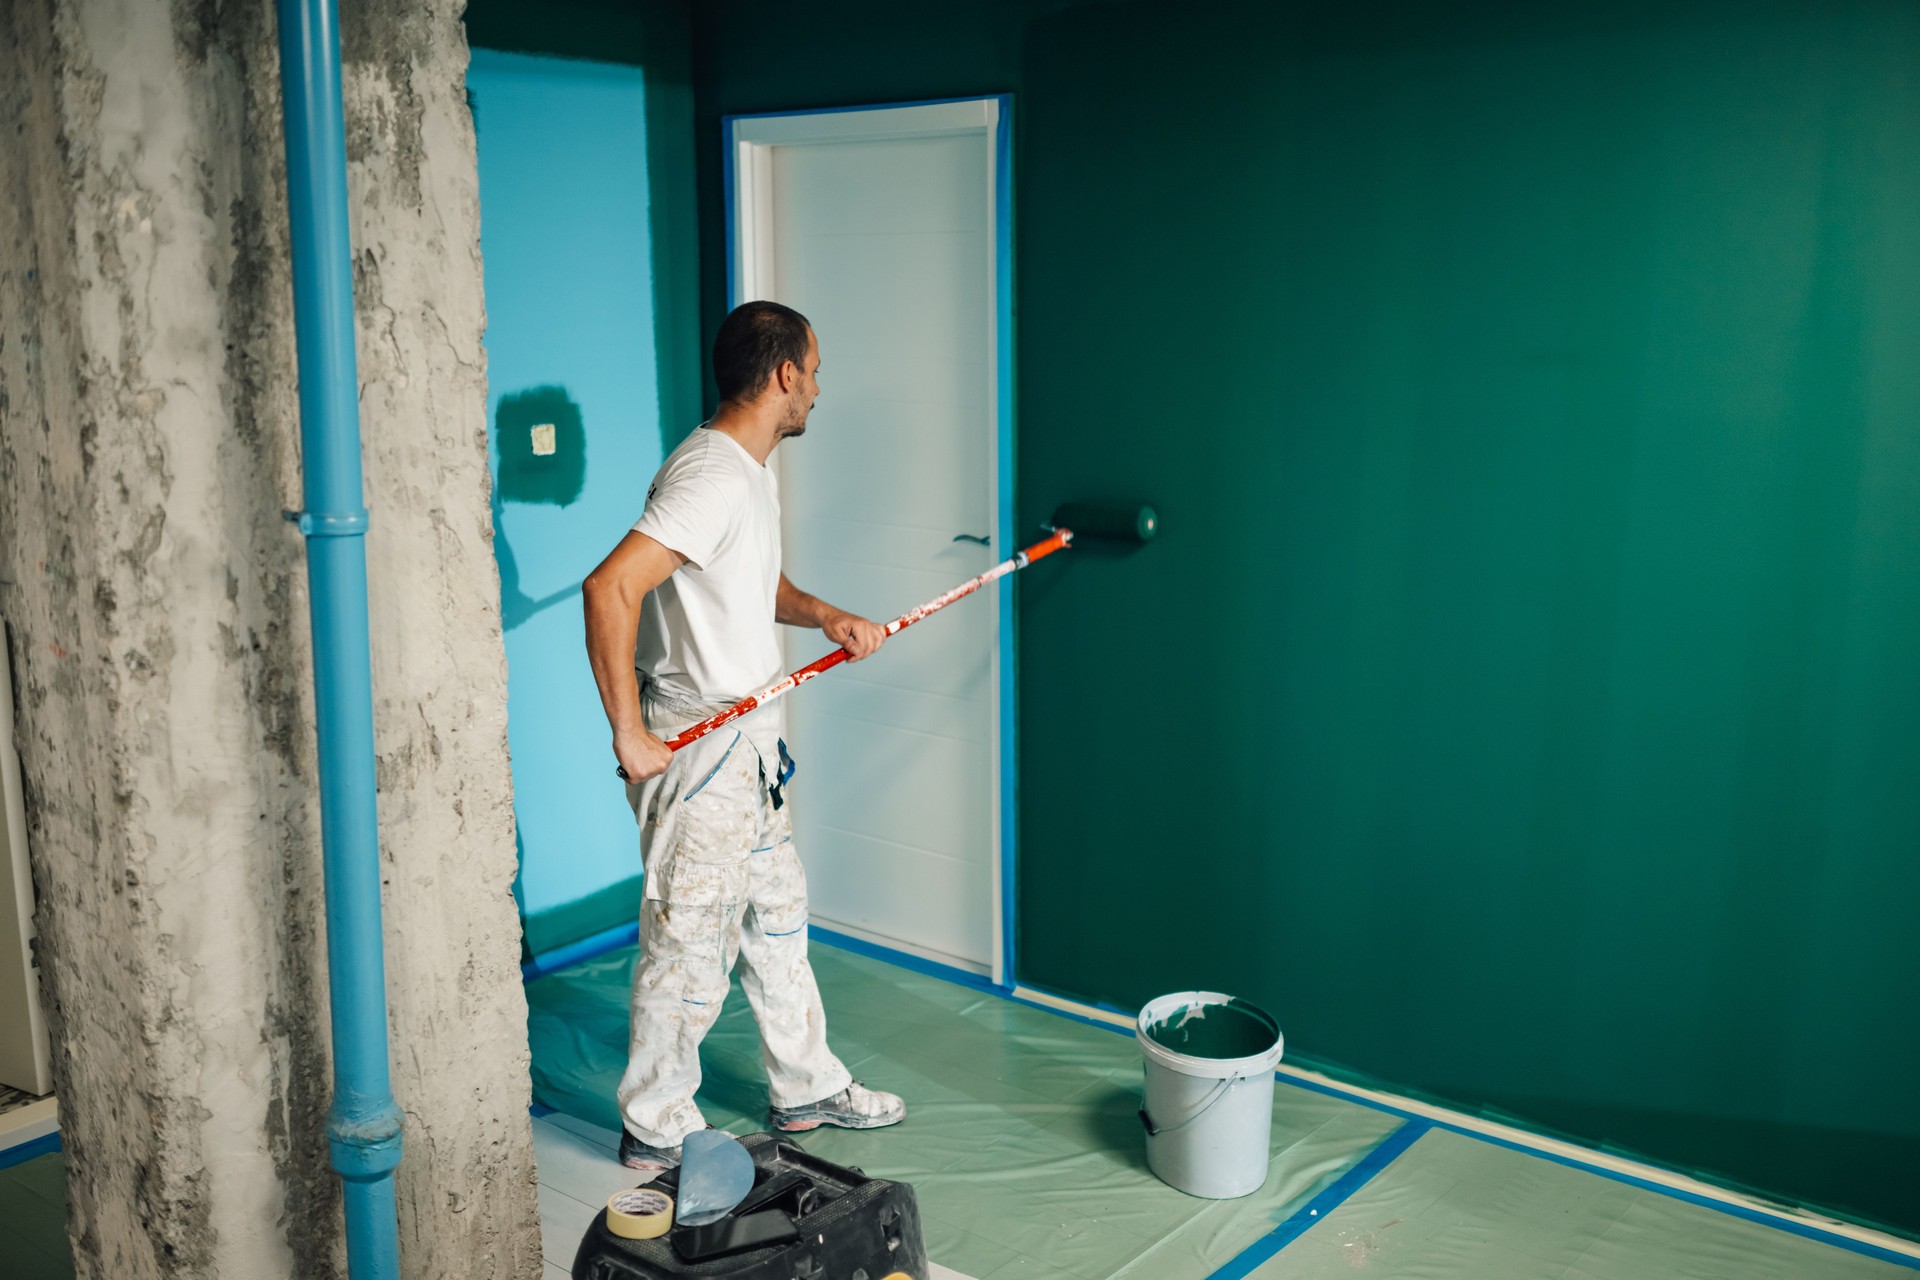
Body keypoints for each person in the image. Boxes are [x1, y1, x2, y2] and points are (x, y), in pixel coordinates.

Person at [582, 300, 906, 1172]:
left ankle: (804, 1089)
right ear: (785, 375)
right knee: (692, 937)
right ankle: (656, 1128)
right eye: (815, 370)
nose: (817, 388)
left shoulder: (745, 472)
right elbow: (610, 589)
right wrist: (629, 733)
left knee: (776, 920)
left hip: (752, 747)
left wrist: (827, 614)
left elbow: (749, 582)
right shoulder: (713, 476)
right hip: (701, 748)